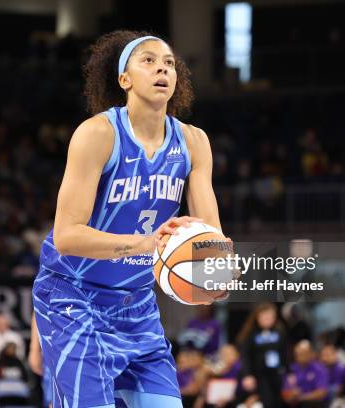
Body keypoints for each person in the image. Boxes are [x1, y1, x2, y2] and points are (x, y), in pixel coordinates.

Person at [31, 30, 228, 408]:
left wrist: (218, 271)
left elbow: (212, 237)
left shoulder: (194, 143)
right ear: (125, 79)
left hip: (136, 304)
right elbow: (66, 236)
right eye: (149, 61)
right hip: (74, 296)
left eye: (169, 63)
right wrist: (145, 243)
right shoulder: (97, 135)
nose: (162, 69)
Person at [235, 303, 288, 408]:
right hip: (258, 375)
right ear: (258, 317)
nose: (268, 319)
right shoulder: (250, 334)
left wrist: (289, 372)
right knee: (265, 401)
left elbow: (284, 353)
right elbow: (246, 356)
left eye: (271, 316)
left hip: (275, 374)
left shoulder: (279, 332)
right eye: (265, 316)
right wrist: (247, 375)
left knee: (276, 401)